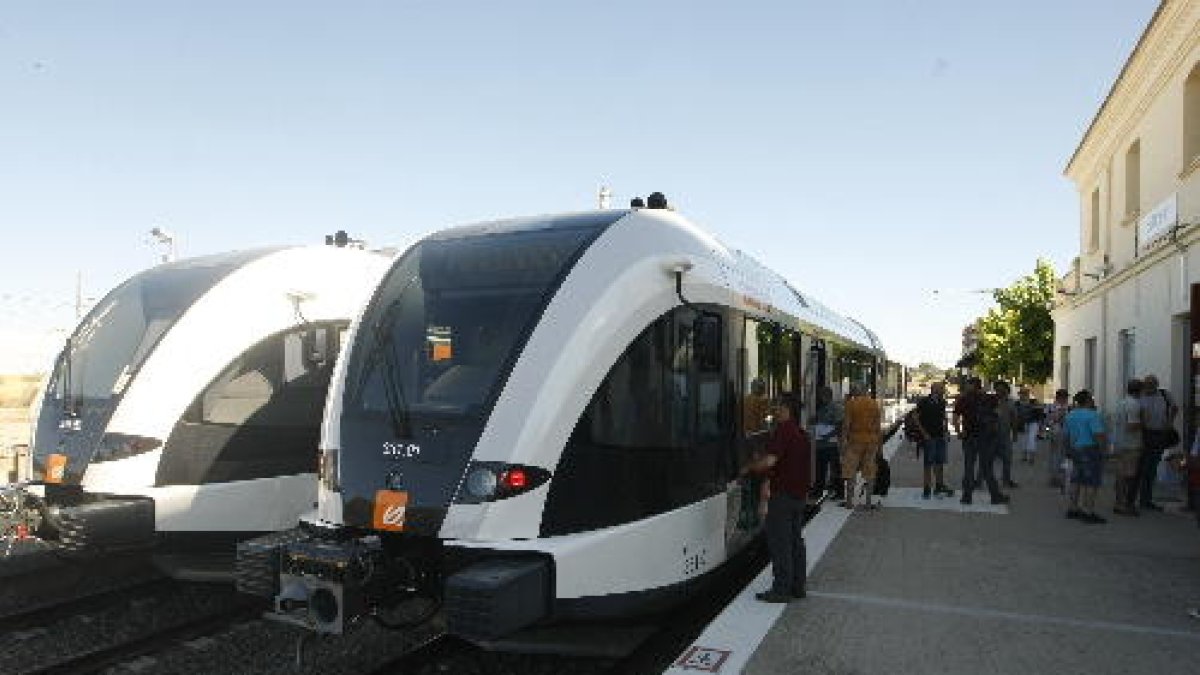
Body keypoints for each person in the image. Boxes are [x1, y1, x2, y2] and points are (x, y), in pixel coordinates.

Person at [741, 397, 811, 603]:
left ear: (786, 409)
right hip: (798, 496)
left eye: (777, 406)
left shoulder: (783, 431)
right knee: (795, 542)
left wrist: (750, 467)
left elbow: (770, 461)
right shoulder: (801, 433)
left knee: (780, 543)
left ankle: (781, 589)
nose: (774, 410)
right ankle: (798, 586)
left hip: (782, 497)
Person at [953, 377, 1008, 505]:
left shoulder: (963, 399)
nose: (966, 387)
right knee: (987, 468)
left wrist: (959, 433)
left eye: (968, 385)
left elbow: (955, 418)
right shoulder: (989, 398)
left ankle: (967, 496)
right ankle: (995, 496)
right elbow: (997, 416)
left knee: (969, 467)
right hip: (986, 438)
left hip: (969, 437)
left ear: (973, 386)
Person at [1063, 389, 1107, 524]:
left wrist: (1068, 450)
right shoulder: (1093, 415)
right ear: (1088, 400)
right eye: (1092, 399)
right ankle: (1088, 511)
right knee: (1091, 481)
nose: (1093, 401)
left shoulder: (1070, 415)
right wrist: (1103, 451)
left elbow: (1066, 435)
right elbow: (1098, 435)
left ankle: (1072, 508)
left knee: (1076, 479)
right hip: (1090, 449)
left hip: (1075, 448)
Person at [1137, 374, 1179, 512]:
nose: (1149, 386)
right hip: (1145, 434)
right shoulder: (1140, 396)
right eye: (1147, 384)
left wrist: (1170, 422)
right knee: (1142, 467)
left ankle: (1146, 499)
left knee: (1152, 466)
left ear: (1156, 384)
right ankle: (1140, 498)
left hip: (1160, 434)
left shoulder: (1165, 394)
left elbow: (1174, 407)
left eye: (1152, 384)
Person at [840, 382, 882, 509]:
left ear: (857, 391)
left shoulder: (851, 404)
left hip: (855, 441)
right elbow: (878, 427)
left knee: (850, 471)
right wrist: (880, 446)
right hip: (871, 442)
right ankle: (868, 502)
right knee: (870, 473)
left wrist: (843, 441)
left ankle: (849, 502)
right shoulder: (874, 404)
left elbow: (847, 424)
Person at [912, 381, 953, 499]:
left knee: (940, 462)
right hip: (929, 437)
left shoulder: (942, 402)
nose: (943, 390)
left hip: (940, 436)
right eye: (941, 388)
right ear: (934, 389)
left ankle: (939, 486)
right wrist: (924, 433)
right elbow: (915, 417)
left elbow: (943, 417)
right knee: (928, 464)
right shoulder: (924, 402)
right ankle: (927, 488)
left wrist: (946, 430)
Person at [1111, 379, 1144, 516]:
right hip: (1131, 445)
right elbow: (1132, 426)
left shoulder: (1121, 402)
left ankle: (1118, 503)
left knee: (1120, 475)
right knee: (1129, 476)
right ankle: (1125, 504)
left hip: (1119, 443)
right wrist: (1144, 421)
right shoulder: (1134, 405)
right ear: (1139, 391)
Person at [810, 385, 844, 500]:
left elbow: (840, 426)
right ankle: (818, 491)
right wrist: (814, 420)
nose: (820, 398)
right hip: (820, 444)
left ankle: (839, 492)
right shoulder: (821, 408)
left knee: (835, 469)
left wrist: (828, 436)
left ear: (827, 395)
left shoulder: (836, 408)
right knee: (820, 469)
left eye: (821, 395)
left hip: (831, 444)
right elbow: (818, 421)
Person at [989, 381, 1020, 489]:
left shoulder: (1011, 403)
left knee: (1007, 459)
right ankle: (980, 480)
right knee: (987, 460)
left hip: (1005, 436)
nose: (1000, 392)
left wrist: (1015, 434)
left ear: (1007, 391)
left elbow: (1014, 420)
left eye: (1002, 390)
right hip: (991, 436)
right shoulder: (990, 401)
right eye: (998, 389)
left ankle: (1006, 480)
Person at [1046, 389, 1070, 489]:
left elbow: (1047, 419)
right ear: (1061, 398)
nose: (1067, 399)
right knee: (1059, 455)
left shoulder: (1051, 406)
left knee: (1053, 454)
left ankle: (1053, 477)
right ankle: (1057, 478)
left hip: (1052, 431)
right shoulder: (1061, 407)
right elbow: (1059, 419)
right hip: (1060, 432)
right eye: (1065, 397)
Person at [1015, 387, 1042, 464]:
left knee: (1031, 439)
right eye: (1021, 394)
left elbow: (1040, 413)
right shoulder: (1017, 403)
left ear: (1028, 394)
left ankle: (1031, 457)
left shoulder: (1034, 402)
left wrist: (1040, 425)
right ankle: (1024, 456)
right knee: (1023, 440)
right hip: (1022, 424)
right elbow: (1014, 415)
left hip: (1033, 423)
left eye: (1025, 394)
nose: (1023, 395)